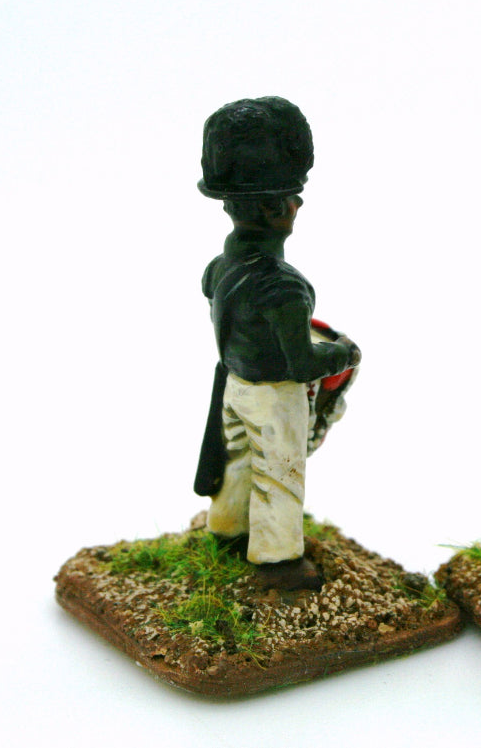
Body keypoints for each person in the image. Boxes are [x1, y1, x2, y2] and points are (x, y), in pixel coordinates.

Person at [193, 97, 360, 591]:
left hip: (235, 384)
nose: (297, 205)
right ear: (274, 210)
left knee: (237, 461)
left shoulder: (218, 267)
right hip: (274, 393)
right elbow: (302, 362)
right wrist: (344, 351)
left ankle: (227, 527)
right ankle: (278, 560)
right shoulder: (285, 287)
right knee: (279, 475)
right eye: (291, 197)